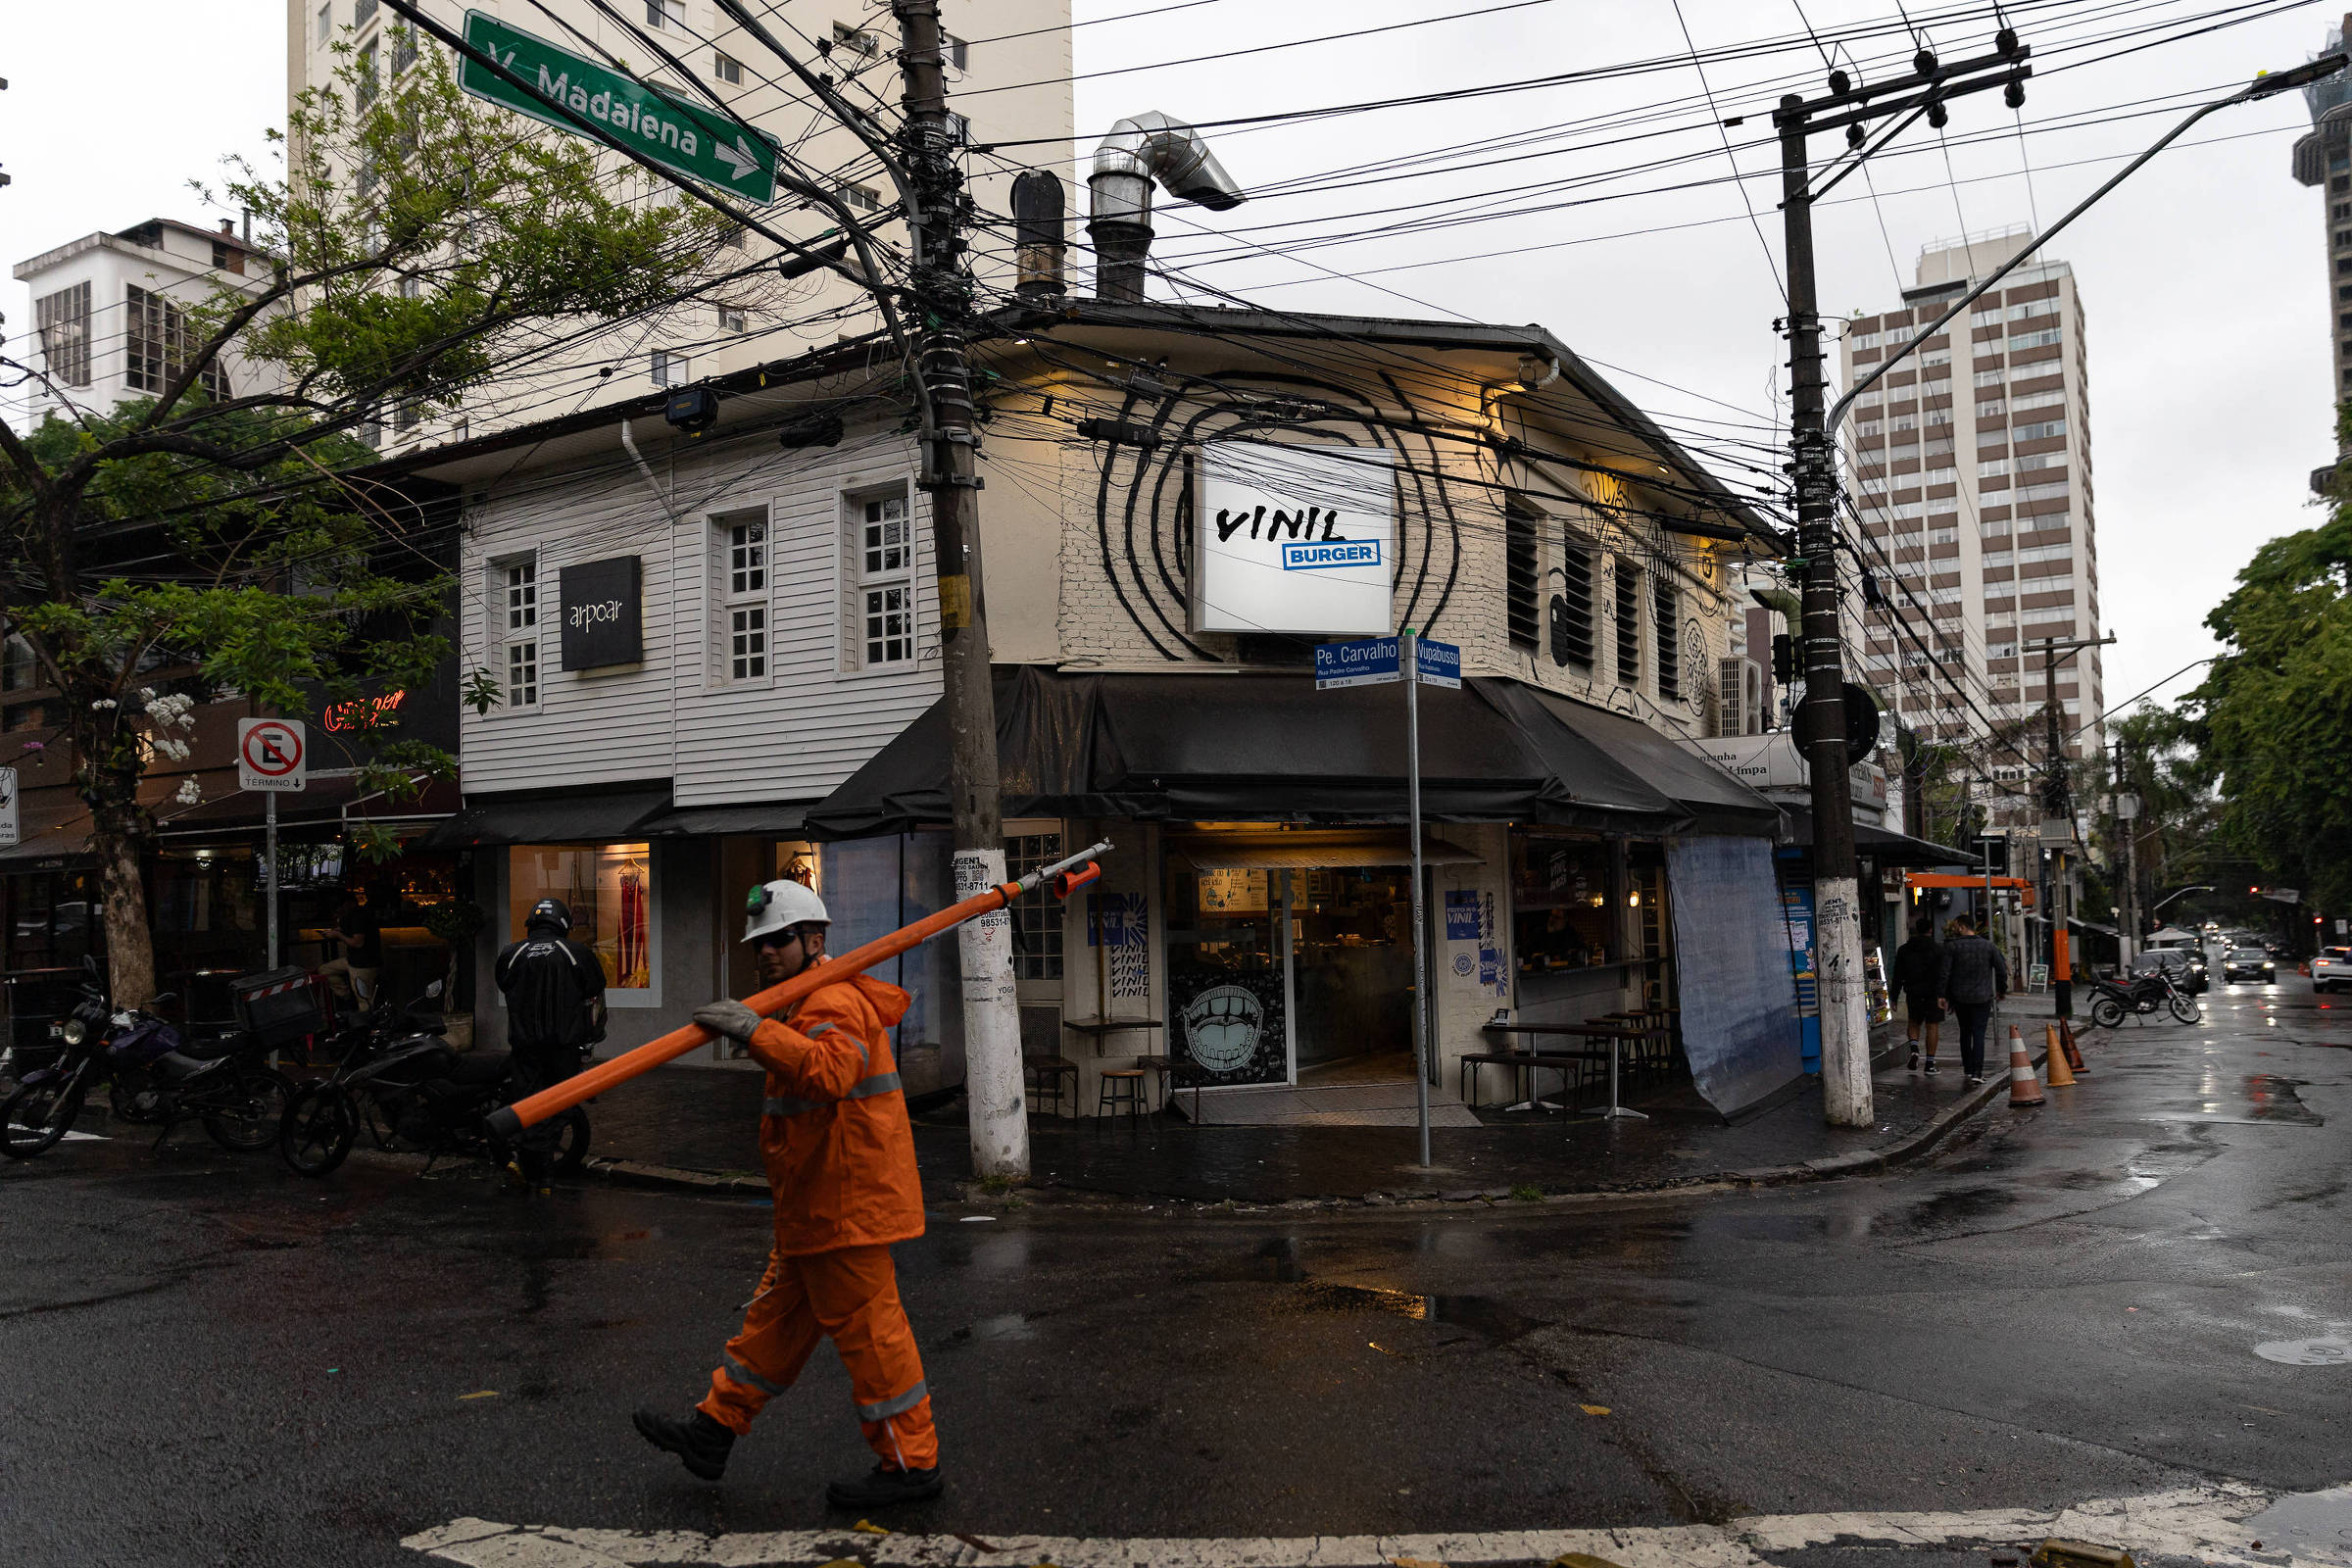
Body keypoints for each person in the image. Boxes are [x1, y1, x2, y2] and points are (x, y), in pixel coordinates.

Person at [632, 878, 939, 1510]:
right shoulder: (805, 1003)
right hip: (817, 1207)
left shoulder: (832, 1000)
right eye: (760, 943)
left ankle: (911, 1464)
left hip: (844, 1209)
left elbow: (830, 1072)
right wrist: (764, 1031)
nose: (766, 952)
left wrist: (754, 1032)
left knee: (873, 1338)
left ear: (814, 941)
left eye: (779, 940)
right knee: (772, 1327)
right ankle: (714, 1431)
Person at [492, 897, 606, 1183]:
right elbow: (594, 993)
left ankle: (528, 1162)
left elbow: (503, 983)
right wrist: (592, 1036)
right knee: (559, 1102)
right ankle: (540, 1167)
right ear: (563, 924)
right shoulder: (576, 952)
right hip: (563, 1046)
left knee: (527, 1103)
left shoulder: (512, 953)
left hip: (525, 1047)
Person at [1936, 912, 2010, 1085]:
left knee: (1965, 1032)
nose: (1956, 929)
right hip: (1982, 997)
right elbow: (2001, 970)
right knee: (1979, 1033)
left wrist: (1942, 995)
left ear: (1962, 927)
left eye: (1957, 926)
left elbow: (1945, 973)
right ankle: (1978, 1071)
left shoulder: (1952, 947)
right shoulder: (1988, 946)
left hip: (1960, 997)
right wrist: (2002, 990)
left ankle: (1968, 1068)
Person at [1890, 916, 1945, 1074]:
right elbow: (1943, 974)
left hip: (1913, 992)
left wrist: (1894, 996)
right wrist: (1944, 995)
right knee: (1932, 1026)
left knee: (1914, 1022)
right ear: (1930, 930)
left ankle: (1914, 1049)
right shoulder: (1938, 950)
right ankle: (1929, 1064)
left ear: (1916, 930)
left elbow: (1897, 974)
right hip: (1933, 994)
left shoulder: (1904, 949)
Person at [317, 886, 383, 1010]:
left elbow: (357, 943)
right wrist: (336, 931)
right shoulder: (352, 915)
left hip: (364, 964)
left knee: (364, 1000)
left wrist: (338, 935)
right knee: (324, 970)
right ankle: (347, 996)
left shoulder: (359, 916)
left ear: (347, 904)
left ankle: (366, 1019)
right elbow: (347, 929)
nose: (338, 910)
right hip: (353, 960)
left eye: (339, 907)